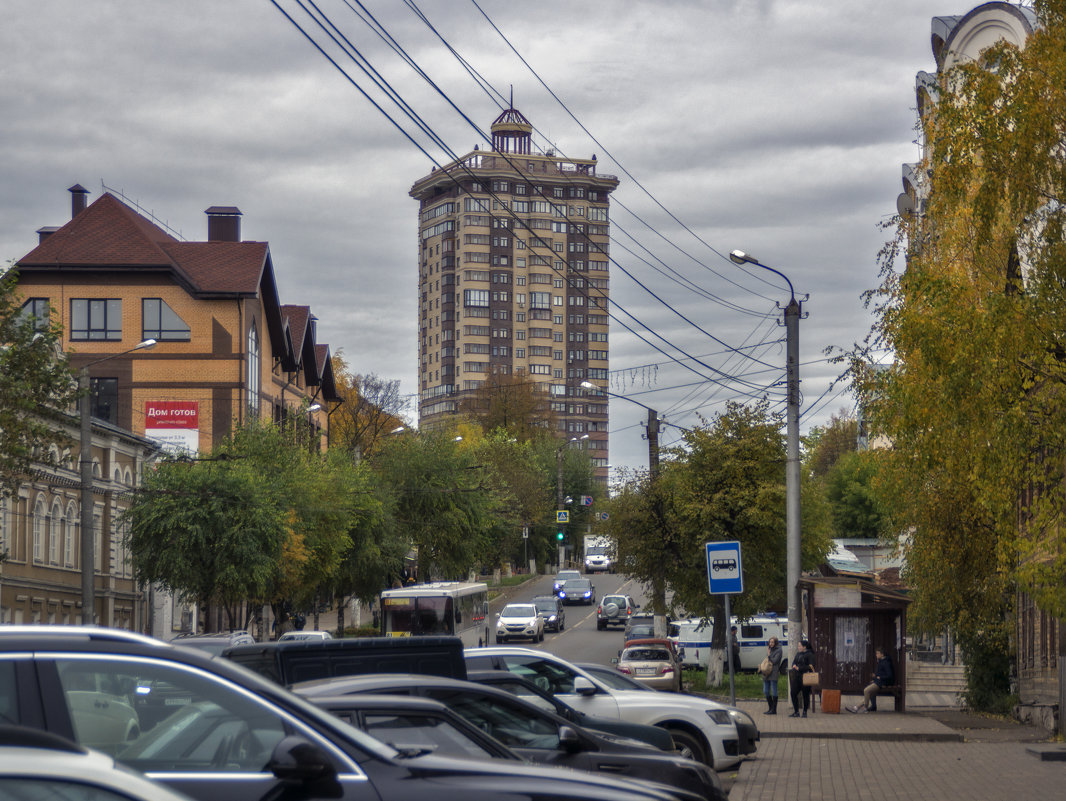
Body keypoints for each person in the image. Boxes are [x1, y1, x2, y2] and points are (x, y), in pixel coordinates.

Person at [849, 648, 895, 713]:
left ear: (882, 654)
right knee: (869, 694)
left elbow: (889, 675)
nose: (876, 655)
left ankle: (865, 708)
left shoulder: (886, 663)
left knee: (866, 691)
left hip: (883, 683)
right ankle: (857, 707)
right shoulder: (881, 661)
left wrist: (880, 678)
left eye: (877, 653)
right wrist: (876, 678)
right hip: (879, 681)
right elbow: (881, 673)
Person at [787, 639, 816, 718]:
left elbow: (811, 666)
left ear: (804, 647)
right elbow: (794, 662)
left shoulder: (810, 654)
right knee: (793, 693)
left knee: (805, 695)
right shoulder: (798, 654)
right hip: (797, 677)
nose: (798, 647)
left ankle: (804, 712)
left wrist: (800, 668)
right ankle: (796, 712)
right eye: (798, 646)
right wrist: (794, 665)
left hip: (806, 676)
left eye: (800, 646)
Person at [763, 636, 784, 715]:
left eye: (772, 642)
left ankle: (774, 710)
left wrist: (769, 655)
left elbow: (774, 661)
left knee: (774, 690)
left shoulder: (779, 650)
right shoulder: (770, 649)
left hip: (773, 672)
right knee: (766, 691)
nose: (771, 644)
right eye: (770, 642)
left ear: (776, 643)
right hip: (767, 672)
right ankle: (770, 708)